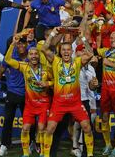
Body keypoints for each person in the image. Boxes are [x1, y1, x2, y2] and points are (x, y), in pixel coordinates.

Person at [41, 28, 95, 157]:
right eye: (63, 50)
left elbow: (91, 54)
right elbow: (43, 48)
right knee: (50, 129)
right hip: (59, 103)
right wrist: (54, 33)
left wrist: (82, 37)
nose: (66, 52)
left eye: (68, 50)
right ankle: (47, 155)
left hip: (75, 103)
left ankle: (90, 154)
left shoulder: (77, 62)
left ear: (71, 52)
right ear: (60, 51)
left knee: (87, 127)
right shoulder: (55, 61)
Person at [3, 35, 53, 157]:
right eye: (31, 54)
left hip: (43, 103)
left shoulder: (47, 68)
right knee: (25, 128)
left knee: (41, 127)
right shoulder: (24, 67)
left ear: (39, 55)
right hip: (30, 105)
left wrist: (47, 83)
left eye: (36, 54)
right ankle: (26, 153)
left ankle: (43, 152)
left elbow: (56, 82)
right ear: (28, 57)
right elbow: (8, 60)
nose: (34, 56)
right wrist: (12, 45)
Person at [0, 37, 28, 156]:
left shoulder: (32, 54)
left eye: (22, 43)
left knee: (29, 121)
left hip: (28, 94)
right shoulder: (9, 58)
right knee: (8, 120)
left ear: (26, 44)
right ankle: (5, 145)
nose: (20, 45)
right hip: (12, 93)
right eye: (17, 43)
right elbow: (0, 71)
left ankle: (31, 143)